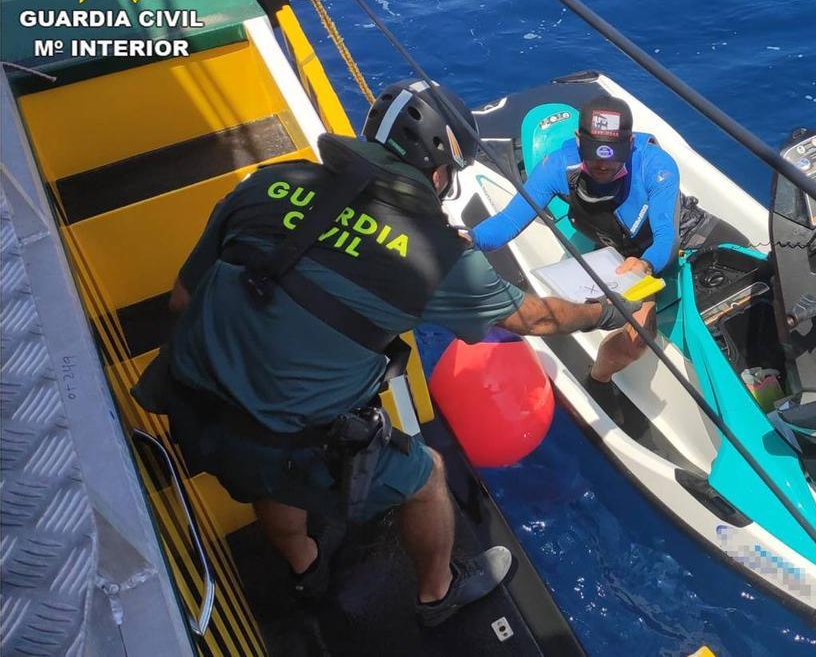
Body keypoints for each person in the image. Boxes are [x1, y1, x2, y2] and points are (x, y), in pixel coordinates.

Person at [159, 79, 633, 627]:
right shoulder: (436, 255)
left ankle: (303, 566)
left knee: (261, 466)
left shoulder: (266, 183)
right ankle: (438, 593)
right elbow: (539, 318)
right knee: (426, 474)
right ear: (437, 170)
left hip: (195, 408)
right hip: (288, 437)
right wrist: (606, 311)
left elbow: (181, 300)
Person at [468, 94, 712, 421]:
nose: (602, 166)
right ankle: (598, 378)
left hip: (664, 244)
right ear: (579, 141)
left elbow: (667, 235)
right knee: (636, 340)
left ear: (629, 145)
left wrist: (647, 263)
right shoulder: (558, 165)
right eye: (593, 156)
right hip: (623, 255)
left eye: (612, 158)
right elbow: (508, 223)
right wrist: (467, 238)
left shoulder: (656, 165)